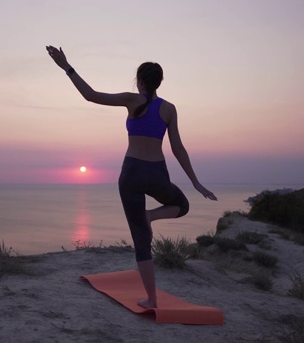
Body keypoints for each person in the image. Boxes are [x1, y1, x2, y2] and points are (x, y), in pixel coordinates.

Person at [46, 45, 217, 308]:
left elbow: (90, 95)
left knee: (140, 238)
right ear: (160, 82)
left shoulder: (131, 100)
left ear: (139, 80)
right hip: (157, 173)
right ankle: (151, 216)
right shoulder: (169, 108)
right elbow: (178, 148)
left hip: (132, 173)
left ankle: (151, 298)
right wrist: (195, 182)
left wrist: (67, 68)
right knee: (182, 205)